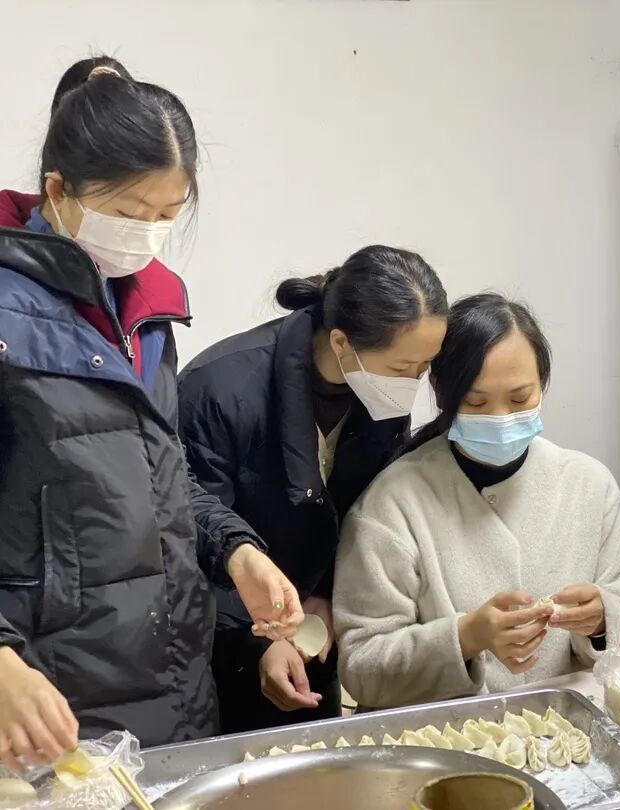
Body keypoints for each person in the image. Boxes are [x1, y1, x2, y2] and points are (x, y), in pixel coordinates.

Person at [0, 57, 301, 766]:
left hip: (175, 683)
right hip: (47, 696)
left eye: (167, 216)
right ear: (58, 191)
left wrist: (236, 550)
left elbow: (158, 474)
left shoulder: (148, 312)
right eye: (131, 214)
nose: (146, 234)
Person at [334, 293, 620, 709]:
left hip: (566, 730)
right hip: (446, 737)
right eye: (476, 402)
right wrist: (465, 637)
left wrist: (603, 620)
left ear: (542, 385)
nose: (500, 418)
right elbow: (361, 667)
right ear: (443, 393)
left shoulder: (589, 486)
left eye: (520, 398)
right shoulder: (392, 504)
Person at [178, 246, 448, 731]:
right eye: (402, 368)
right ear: (341, 342)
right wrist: (262, 639)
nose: (412, 384)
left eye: (424, 367)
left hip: (314, 635)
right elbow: (192, 530)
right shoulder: (219, 389)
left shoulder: (378, 395)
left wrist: (331, 592)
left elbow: (364, 510)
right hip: (222, 640)